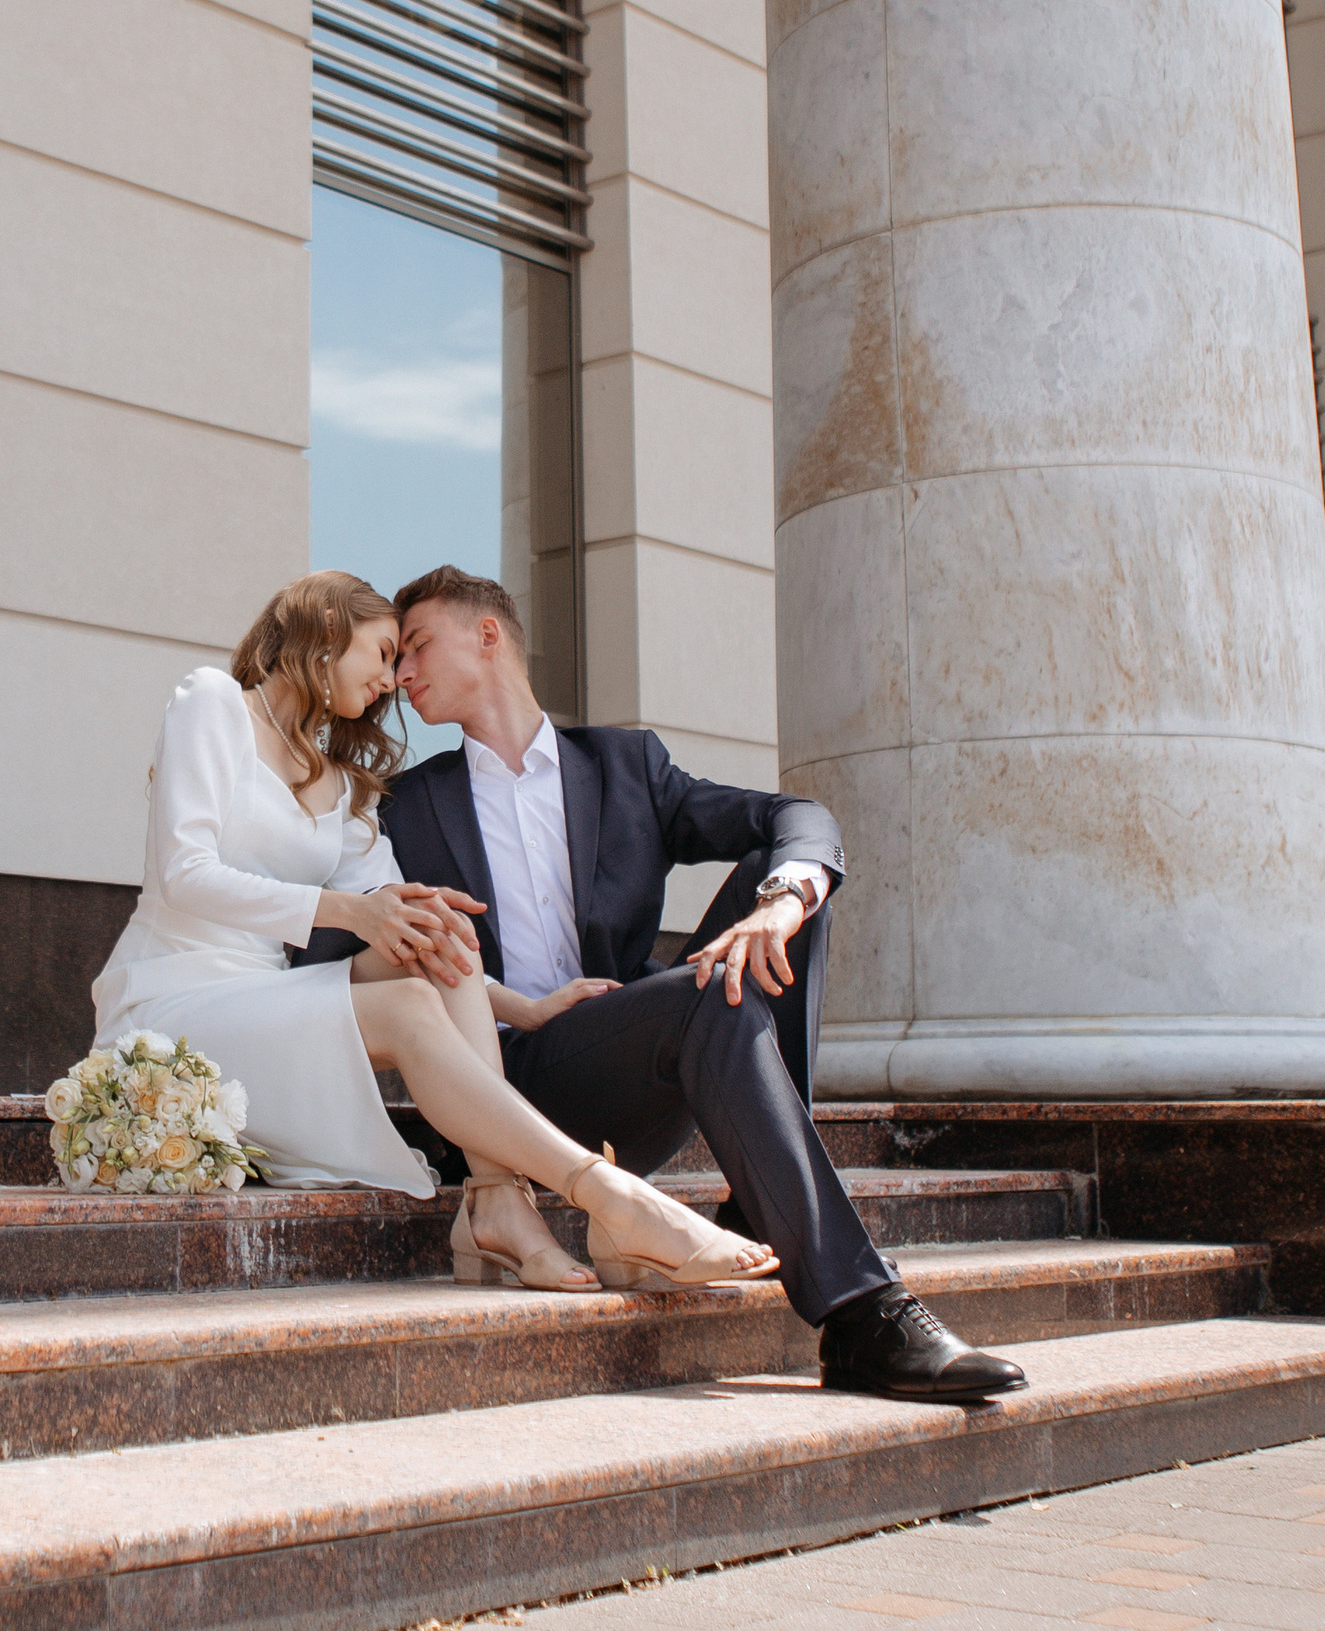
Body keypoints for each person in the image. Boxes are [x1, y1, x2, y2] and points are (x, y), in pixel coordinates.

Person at [380, 565, 1024, 1405]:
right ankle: (864, 1314)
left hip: (633, 1066)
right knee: (704, 988)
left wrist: (782, 905)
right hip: (509, 1083)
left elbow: (798, 818)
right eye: (395, 662)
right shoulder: (406, 805)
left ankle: (763, 1208)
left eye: (418, 644)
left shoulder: (623, 764)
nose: (402, 675)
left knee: (781, 879)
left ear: (488, 635)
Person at [93, 571, 788, 1292]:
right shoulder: (213, 704)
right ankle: (604, 1194)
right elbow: (185, 872)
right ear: (330, 627)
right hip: (173, 1002)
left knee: (436, 929)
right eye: (388, 649)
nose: (394, 680)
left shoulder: (345, 789)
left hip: (266, 1003)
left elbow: (412, 927)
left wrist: (524, 1006)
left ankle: (497, 1206)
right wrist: (348, 910)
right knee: (405, 1001)